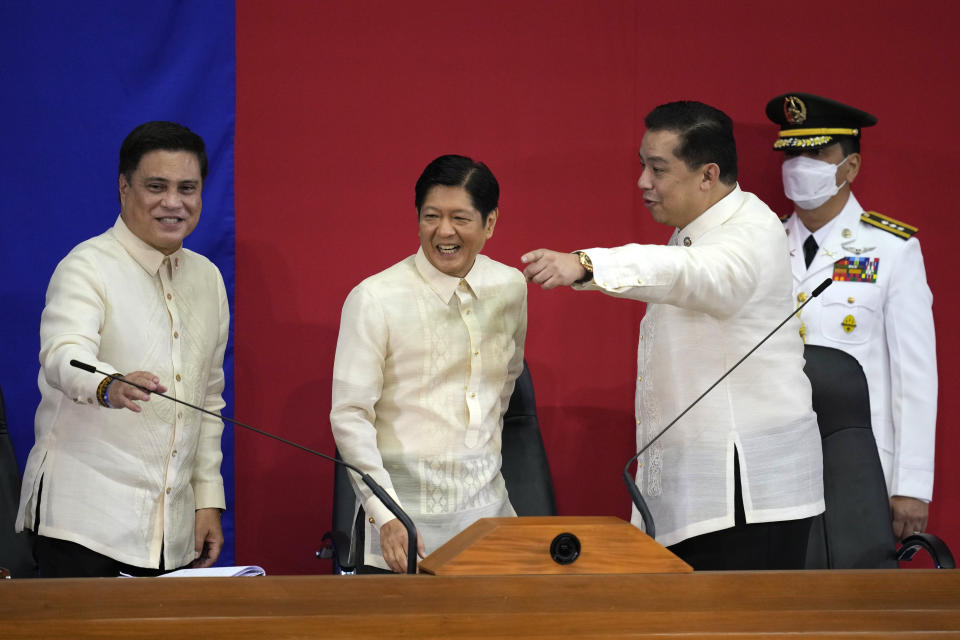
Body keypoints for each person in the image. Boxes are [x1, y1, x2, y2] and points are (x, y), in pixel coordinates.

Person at [522, 101, 823, 570]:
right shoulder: (694, 231)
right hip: (701, 487)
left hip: (744, 496)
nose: (643, 182)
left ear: (708, 175)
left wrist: (586, 264)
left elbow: (695, 275)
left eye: (658, 169)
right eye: (643, 165)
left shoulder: (750, 231)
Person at [15, 121, 229, 577]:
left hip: (171, 533)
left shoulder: (208, 278)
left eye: (187, 188)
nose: (174, 202)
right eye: (157, 186)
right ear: (124, 188)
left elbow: (208, 400)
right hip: (84, 526)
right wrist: (107, 384)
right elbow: (62, 354)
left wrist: (207, 499)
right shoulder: (86, 266)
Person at [330, 154, 527, 573]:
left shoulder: (510, 286)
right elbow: (350, 416)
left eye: (460, 218)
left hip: (490, 521)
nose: (444, 231)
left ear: (490, 223)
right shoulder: (374, 298)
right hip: (402, 530)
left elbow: (504, 384)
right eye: (431, 216)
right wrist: (386, 516)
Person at [766, 92, 937, 541]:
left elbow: (914, 375)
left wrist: (912, 485)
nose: (802, 165)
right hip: (775, 464)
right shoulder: (763, 245)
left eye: (818, 153)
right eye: (793, 153)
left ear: (852, 166)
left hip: (859, 465)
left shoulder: (892, 250)